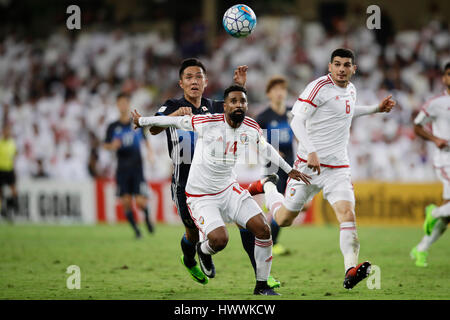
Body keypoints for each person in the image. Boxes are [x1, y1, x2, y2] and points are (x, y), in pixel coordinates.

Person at [132, 85, 311, 295]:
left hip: (229, 189)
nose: (238, 105)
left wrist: (289, 171)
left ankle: (261, 285)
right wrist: (142, 121)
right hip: (201, 195)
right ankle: (202, 250)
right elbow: (172, 121)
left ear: (246, 105)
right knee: (220, 240)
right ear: (224, 106)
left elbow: (265, 148)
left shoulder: (251, 126)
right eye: (233, 101)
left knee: (263, 229)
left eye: (242, 101)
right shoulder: (207, 123)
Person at [260, 48, 396, 289]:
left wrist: (376, 108)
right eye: (337, 64)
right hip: (306, 168)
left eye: (346, 65)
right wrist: (310, 149)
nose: (342, 69)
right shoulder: (318, 88)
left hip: (337, 169)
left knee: (347, 214)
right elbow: (296, 120)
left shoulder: (351, 90)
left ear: (354, 69)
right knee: (284, 219)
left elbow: (346, 112)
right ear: (330, 66)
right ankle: (270, 190)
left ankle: (350, 270)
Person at [149, 58, 280, 288]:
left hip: (219, 181)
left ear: (205, 81)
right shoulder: (171, 105)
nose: (194, 81)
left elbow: (237, 108)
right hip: (185, 182)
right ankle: (190, 259)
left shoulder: (214, 106)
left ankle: (262, 276)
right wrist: (175, 117)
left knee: (246, 224)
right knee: (191, 233)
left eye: (198, 76)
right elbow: (152, 128)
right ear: (181, 83)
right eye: (189, 77)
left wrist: (241, 86)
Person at [410, 62, 450, 267]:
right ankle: (433, 212)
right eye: (448, 75)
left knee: (447, 217)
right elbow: (417, 125)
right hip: (446, 160)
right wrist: (435, 140)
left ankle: (421, 249)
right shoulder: (436, 102)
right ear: (443, 78)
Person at [104, 92, 154, 238]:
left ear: (128, 104)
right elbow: (105, 145)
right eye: (120, 103)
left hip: (137, 167)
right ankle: (137, 231)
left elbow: (146, 140)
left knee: (139, 202)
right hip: (122, 169)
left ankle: (146, 215)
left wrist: (150, 154)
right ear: (117, 105)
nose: (123, 105)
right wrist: (112, 145)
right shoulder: (113, 126)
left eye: (125, 102)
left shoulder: (136, 123)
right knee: (126, 202)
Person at [255, 76, 295, 256]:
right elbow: (255, 142)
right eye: (275, 90)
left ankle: (266, 204)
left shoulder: (292, 112)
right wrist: (271, 152)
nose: (280, 93)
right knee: (282, 205)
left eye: (282, 89)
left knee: (290, 205)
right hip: (273, 167)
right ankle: (274, 242)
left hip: (292, 164)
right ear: (269, 94)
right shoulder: (263, 117)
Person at [0, 124, 18, 221]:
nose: (7, 132)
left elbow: (15, 155)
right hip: (1, 170)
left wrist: (14, 167)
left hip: (9, 170)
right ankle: (3, 211)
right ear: (3, 132)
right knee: (1, 192)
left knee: (14, 192)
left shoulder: (12, 143)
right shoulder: (0, 143)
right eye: (6, 131)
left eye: (8, 131)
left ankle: (11, 210)